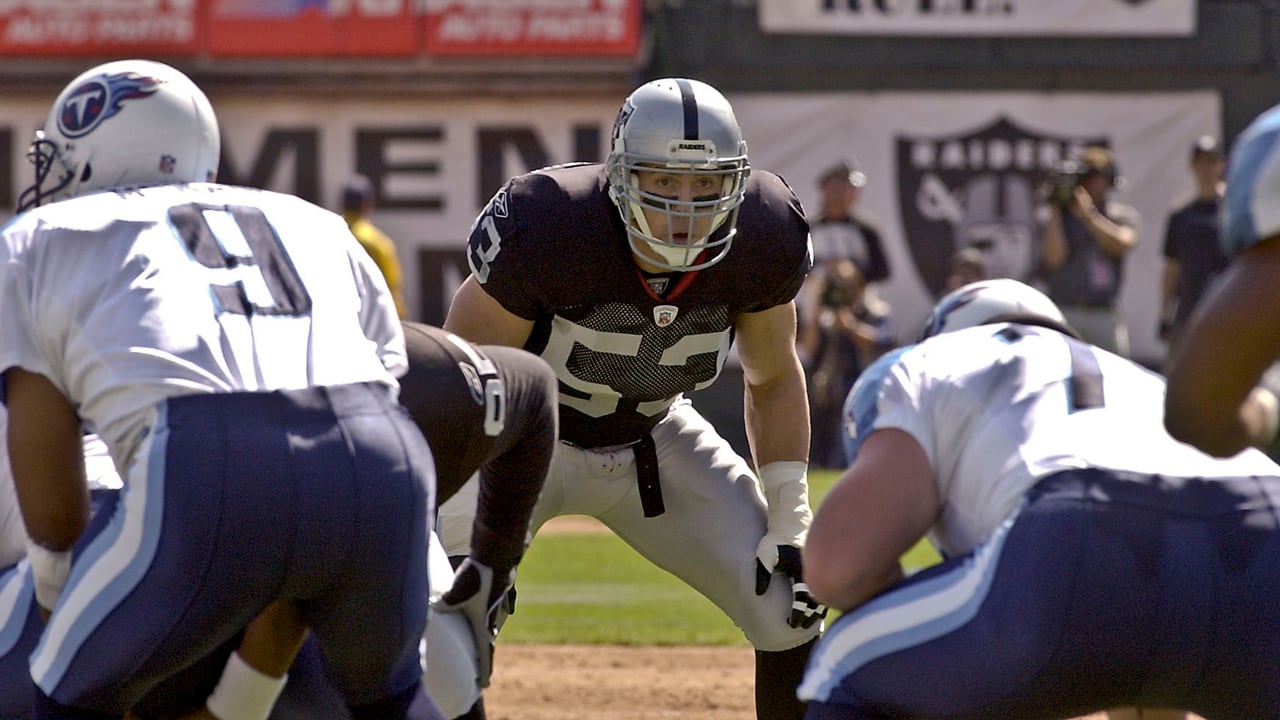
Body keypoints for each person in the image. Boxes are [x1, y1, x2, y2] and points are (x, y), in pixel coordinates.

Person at [0, 59, 440, 719]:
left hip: (206, 461)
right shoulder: (316, 224)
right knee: (394, 699)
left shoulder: (40, 238)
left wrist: (64, 601)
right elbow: (384, 380)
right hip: (384, 456)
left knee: (62, 694)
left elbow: (52, 497)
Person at [440, 77, 825, 720]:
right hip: (520, 449)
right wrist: (460, 534)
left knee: (789, 602)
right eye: (663, 181)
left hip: (655, 437)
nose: (685, 206)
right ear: (618, 177)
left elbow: (774, 377)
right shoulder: (550, 223)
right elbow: (463, 385)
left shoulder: (765, 234)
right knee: (446, 616)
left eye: (706, 185)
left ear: (737, 182)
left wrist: (790, 511)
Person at [797, 278, 1280, 719]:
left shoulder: (922, 365)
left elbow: (838, 569)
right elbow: (1149, 659)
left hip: (1078, 529)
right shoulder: (1139, 379)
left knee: (844, 662)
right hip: (1264, 525)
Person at [130, 320, 559, 720]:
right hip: (229, 547)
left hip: (374, 532)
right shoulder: (190, 416)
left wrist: (490, 572)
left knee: (443, 680)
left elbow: (534, 392)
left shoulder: (431, 383)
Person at [1164, 104, 1280, 460]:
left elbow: (1197, 413)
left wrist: (1269, 405)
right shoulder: (1183, 216)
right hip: (1197, 311)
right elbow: (1171, 268)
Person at [1038, 144, 1141, 356]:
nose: (1094, 183)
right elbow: (1054, 258)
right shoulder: (1061, 219)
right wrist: (1056, 208)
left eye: (1100, 177)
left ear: (1110, 180)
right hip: (1066, 310)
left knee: (1114, 379)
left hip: (1103, 312)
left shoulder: (1120, 216)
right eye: (1089, 176)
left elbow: (1123, 243)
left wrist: (1089, 216)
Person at [797, 259, 894, 469]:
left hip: (864, 388)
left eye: (847, 284)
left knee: (845, 457)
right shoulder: (826, 319)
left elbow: (881, 340)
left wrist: (849, 325)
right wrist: (816, 310)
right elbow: (808, 349)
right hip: (829, 393)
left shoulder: (875, 313)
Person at [1157, 136, 1229, 363]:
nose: (1206, 169)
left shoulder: (1234, 210)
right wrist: (1164, 314)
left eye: (1211, 161)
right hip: (1189, 312)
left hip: (1229, 312)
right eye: (1200, 162)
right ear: (1192, 166)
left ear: (1221, 164)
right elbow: (1172, 268)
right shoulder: (1181, 215)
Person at [798, 159, 891, 332]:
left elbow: (883, 269)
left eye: (851, 188)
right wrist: (825, 269)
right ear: (824, 189)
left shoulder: (866, 229)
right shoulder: (809, 227)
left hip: (858, 305)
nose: (844, 194)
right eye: (838, 187)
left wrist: (853, 272)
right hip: (816, 306)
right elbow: (796, 266)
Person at [342, 174, 409, 319]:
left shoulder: (329, 236)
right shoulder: (378, 243)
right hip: (372, 322)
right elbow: (392, 289)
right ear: (367, 205)